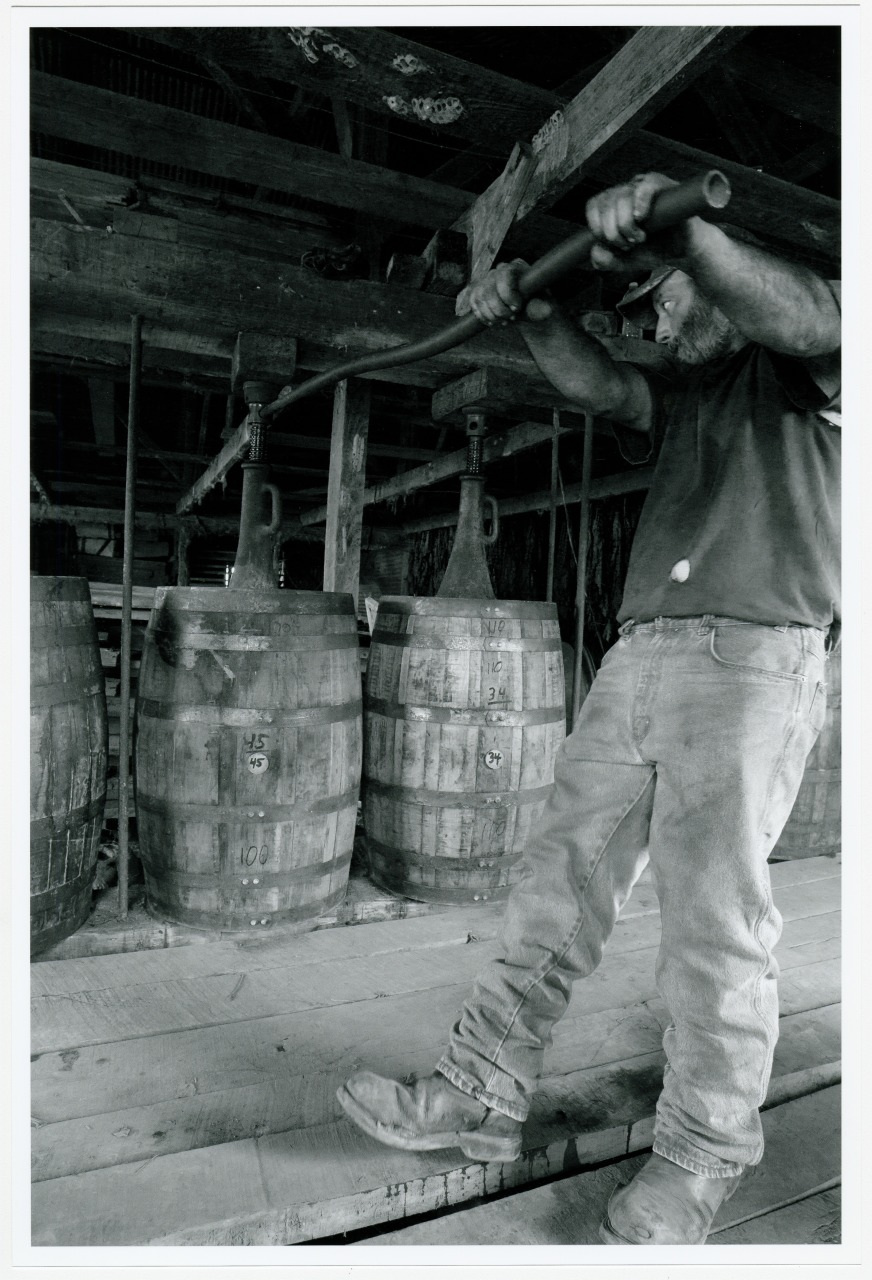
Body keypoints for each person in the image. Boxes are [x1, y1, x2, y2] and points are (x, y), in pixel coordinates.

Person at [337, 172, 841, 1246]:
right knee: (552, 885)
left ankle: (698, 1158)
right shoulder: (690, 397)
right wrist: (531, 310)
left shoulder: (810, 370)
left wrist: (689, 234)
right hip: (639, 656)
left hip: (754, 658)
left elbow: (811, 311)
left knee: (713, 925)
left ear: (711, 283)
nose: (652, 318)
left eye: (662, 296)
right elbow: (600, 387)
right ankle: (476, 1090)